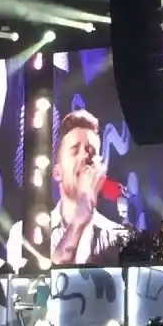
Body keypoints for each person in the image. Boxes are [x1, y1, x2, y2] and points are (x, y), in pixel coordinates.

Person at [48, 110, 126, 265]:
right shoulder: (25, 233)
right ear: (57, 172)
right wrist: (80, 218)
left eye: (91, 151)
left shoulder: (117, 236)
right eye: (75, 150)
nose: (85, 156)